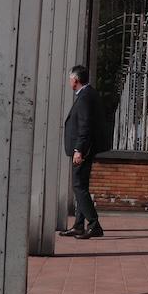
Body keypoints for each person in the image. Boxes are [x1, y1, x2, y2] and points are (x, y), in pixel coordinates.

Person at [61, 65, 104, 239]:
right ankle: (79, 225)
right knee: (81, 187)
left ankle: (94, 224)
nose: (69, 81)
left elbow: (85, 126)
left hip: (83, 150)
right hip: (85, 148)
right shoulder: (87, 94)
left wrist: (79, 149)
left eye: (70, 78)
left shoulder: (85, 97)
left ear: (76, 80)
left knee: (78, 186)